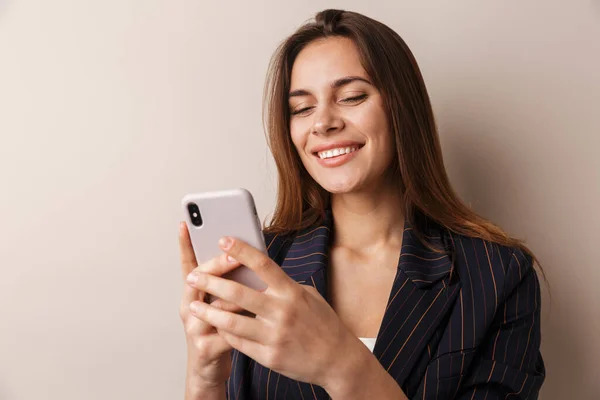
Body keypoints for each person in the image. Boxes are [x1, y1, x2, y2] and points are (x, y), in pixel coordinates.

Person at [178, 9, 545, 400]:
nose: (323, 123)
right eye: (302, 109)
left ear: (401, 107)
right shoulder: (263, 265)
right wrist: (205, 378)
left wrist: (341, 364)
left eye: (351, 97)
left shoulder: (497, 275)